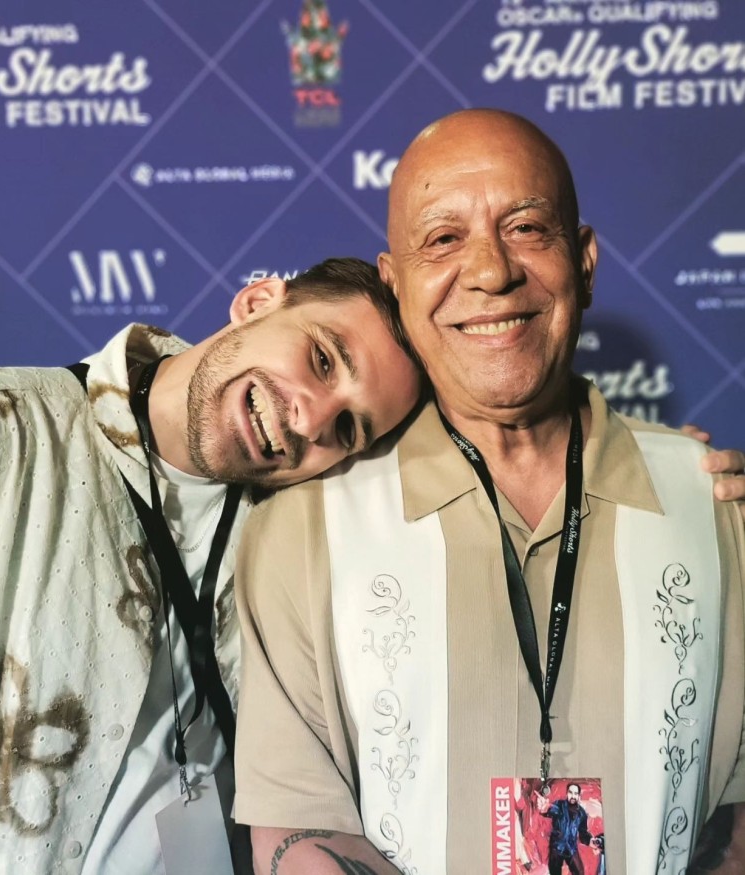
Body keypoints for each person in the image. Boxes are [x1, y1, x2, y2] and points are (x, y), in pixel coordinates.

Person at [233, 110, 745, 874]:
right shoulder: (302, 526)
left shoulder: (716, 504)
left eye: (527, 228)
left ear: (584, 262)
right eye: (442, 239)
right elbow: (298, 831)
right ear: (394, 284)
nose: (489, 271)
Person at [0, 257, 423, 874]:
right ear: (257, 302)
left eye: (347, 429)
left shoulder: (303, 537)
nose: (312, 420)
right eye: (321, 359)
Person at [537, 783, 595, 875]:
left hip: (571, 848)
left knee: (580, 872)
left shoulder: (581, 813)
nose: (573, 796)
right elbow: (551, 810)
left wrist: (590, 841)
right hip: (557, 848)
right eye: (570, 793)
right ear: (567, 793)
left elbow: (583, 833)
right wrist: (545, 808)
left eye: (575, 793)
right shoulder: (559, 805)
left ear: (579, 796)